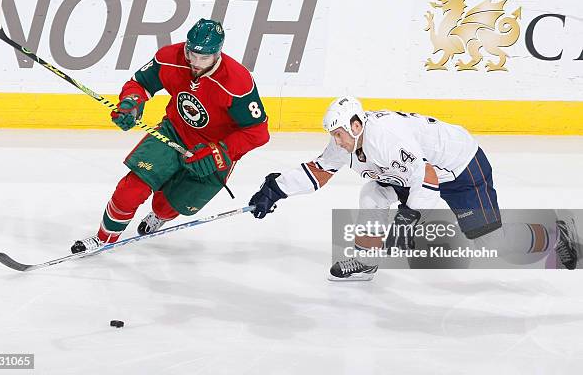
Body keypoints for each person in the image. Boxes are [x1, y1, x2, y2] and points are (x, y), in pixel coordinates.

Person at [248, 96, 579, 279]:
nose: (336, 140)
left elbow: (428, 179)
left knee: (493, 240)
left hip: (460, 166)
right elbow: (320, 171)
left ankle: (554, 232)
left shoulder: (388, 140)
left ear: (357, 124)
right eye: (333, 134)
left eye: (339, 134)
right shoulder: (348, 139)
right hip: (419, 172)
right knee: (373, 193)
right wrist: (276, 190)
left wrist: (408, 218)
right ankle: (365, 260)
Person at [71, 18, 270, 253]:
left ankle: (159, 215)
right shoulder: (169, 57)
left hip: (212, 149)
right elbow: (140, 83)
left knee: (167, 206)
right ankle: (104, 239)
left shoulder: (237, 82)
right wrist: (131, 102)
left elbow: (257, 132)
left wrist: (218, 152)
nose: (195, 63)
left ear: (218, 53)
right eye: (191, 54)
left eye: (204, 58)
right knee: (131, 189)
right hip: (173, 132)